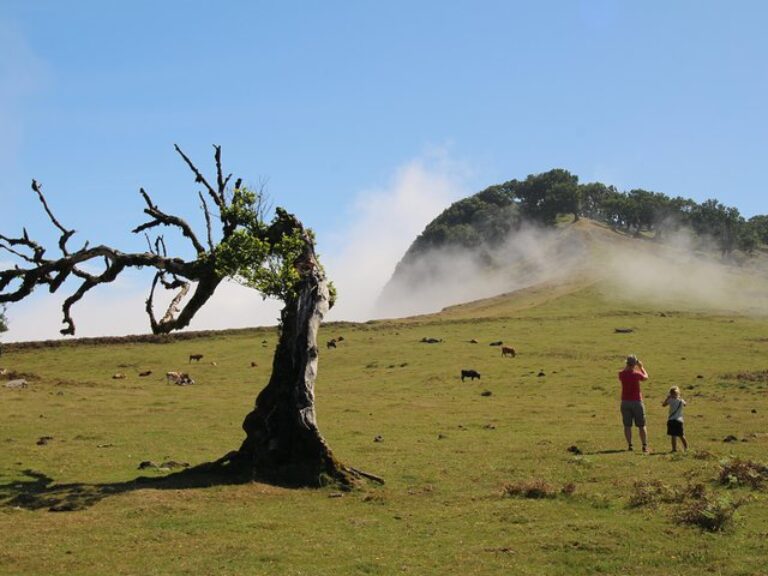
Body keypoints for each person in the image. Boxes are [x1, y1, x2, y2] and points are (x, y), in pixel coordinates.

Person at [619, 354, 649, 453]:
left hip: (625, 402)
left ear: (627, 363)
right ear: (634, 364)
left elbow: (624, 371)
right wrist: (641, 367)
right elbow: (646, 377)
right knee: (641, 425)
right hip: (637, 402)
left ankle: (630, 445)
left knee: (627, 425)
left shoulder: (621, 374)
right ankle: (644, 445)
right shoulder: (637, 374)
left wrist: (629, 365)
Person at [662, 386, 688, 452]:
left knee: (673, 436)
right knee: (681, 435)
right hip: (679, 420)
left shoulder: (670, 400)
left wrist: (667, 398)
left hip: (671, 419)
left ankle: (674, 449)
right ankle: (686, 448)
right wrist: (680, 398)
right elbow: (685, 404)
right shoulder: (681, 401)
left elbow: (664, 405)